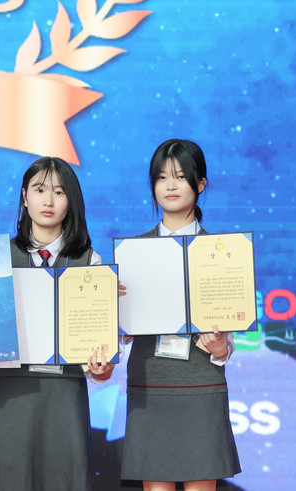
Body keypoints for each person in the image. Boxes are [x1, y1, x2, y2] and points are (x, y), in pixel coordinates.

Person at [0, 156, 117, 491]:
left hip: (64, 395)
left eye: (59, 192)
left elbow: (99, 354)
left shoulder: (90, 262)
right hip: (11, 395)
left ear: (71, 201)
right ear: (25, 197)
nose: (48, 200)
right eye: (39, 190)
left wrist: (101, 367)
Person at [120, 139, 241, 491]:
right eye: (161, 177)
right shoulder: (132, 252)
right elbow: (122, 332)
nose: (170, 186)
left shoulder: (222, 253)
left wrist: (221, 349)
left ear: (200, 184)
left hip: (200, 383)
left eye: (180, 176)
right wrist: (115, 315)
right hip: (150, 384)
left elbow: (227, 337)